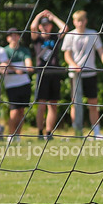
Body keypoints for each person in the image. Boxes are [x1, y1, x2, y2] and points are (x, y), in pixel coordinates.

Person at [61, 10, 103, 140]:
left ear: (86, 21)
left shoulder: (93, 34)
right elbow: (67, 54)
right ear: (74, 22)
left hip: (90, 72)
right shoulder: (69, 35)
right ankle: (77, 131)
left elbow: (101, 51)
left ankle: (96, 131)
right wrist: (73, 65)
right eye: (77, 21)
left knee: (93, 103)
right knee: (75, 103)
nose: (80, 23)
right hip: (75, 74)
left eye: (82, 20)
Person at [30, 10, 68, 140]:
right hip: (42, 73)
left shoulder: (54, 37)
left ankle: (49, 132)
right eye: (42, 25)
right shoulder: (38, 39)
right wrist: (39, 16)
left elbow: (65, 28)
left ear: (50, 26)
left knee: (53, 104)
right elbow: (32, 27)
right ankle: (40, 132)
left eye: (47, 25)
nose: (45, 27)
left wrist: (53, 17)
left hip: (55, 73)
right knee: (41, 105)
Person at [2, 28, 35, 143]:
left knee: (21, 111)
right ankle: (10, 135)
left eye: (16, 35)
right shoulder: (3, 51)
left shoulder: (24, 50)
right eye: (11, 35)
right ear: (8, 38)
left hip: (24, 83)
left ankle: (18, 135)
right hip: (11, 85)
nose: (14, 37)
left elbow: (28, 63)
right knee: (14, 111)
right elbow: (5, 62)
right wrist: (16, 70)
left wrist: (28, 67)